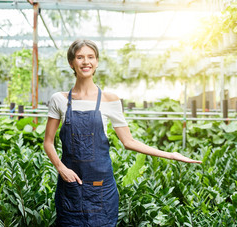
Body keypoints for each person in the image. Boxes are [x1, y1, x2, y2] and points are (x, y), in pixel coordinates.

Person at [43, 39, 202, 227]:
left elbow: (129, 142)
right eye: (80, 57)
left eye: (90, 57)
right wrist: (61, 168)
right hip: (70, 184)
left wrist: (170, 155)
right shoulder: (59, 100)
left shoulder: (110, 100)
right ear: (72, 63)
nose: (86, 62)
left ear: (97, 62)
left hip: (101, 186)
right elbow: (48, 142)